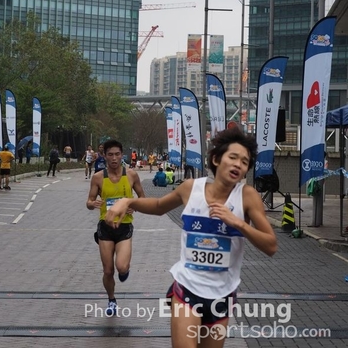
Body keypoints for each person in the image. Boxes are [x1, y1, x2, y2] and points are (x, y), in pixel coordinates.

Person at [106, 127, 277, 348]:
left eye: (244, 162)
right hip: (187, 288)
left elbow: (271, 245)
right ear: (216, 159)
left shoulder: (247, 196)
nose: (238, 165)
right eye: (233, 157)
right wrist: (128, 201)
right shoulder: (190, 188)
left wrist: (238, 223)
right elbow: (158, 206)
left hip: (222, 294)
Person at [86, 139, 145, 317]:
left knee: (122, 267)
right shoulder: (98, 177)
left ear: (122, 155)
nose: (114, 158)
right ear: (104, 156)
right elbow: (89, 202)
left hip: (124, 226)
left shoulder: (132, 175)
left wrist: (134, 205)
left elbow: (142, 198)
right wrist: (93, 204)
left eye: (117, 154)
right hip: (105, 228)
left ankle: (124, 271)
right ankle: (111, 299)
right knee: (108, 270)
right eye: (110, 155)